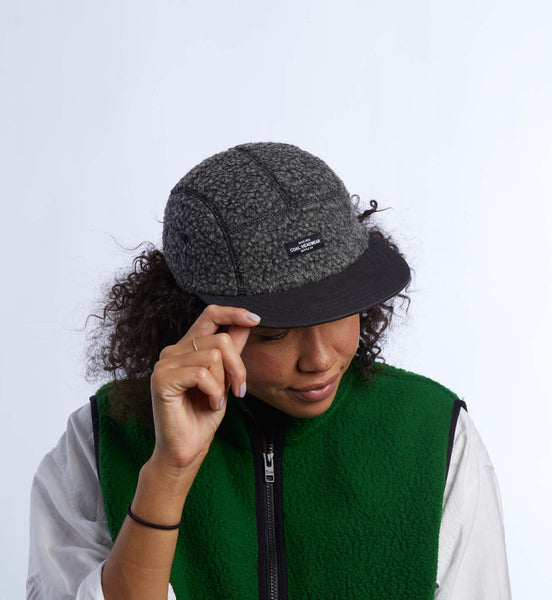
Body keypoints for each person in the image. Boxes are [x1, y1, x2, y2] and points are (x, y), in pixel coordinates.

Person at [27, 142, 511, 600]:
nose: (319, 359)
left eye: (341, 313)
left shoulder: (433, 431)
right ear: (195, 323)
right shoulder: (100, 440)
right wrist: (169, 473)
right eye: (276, 334)